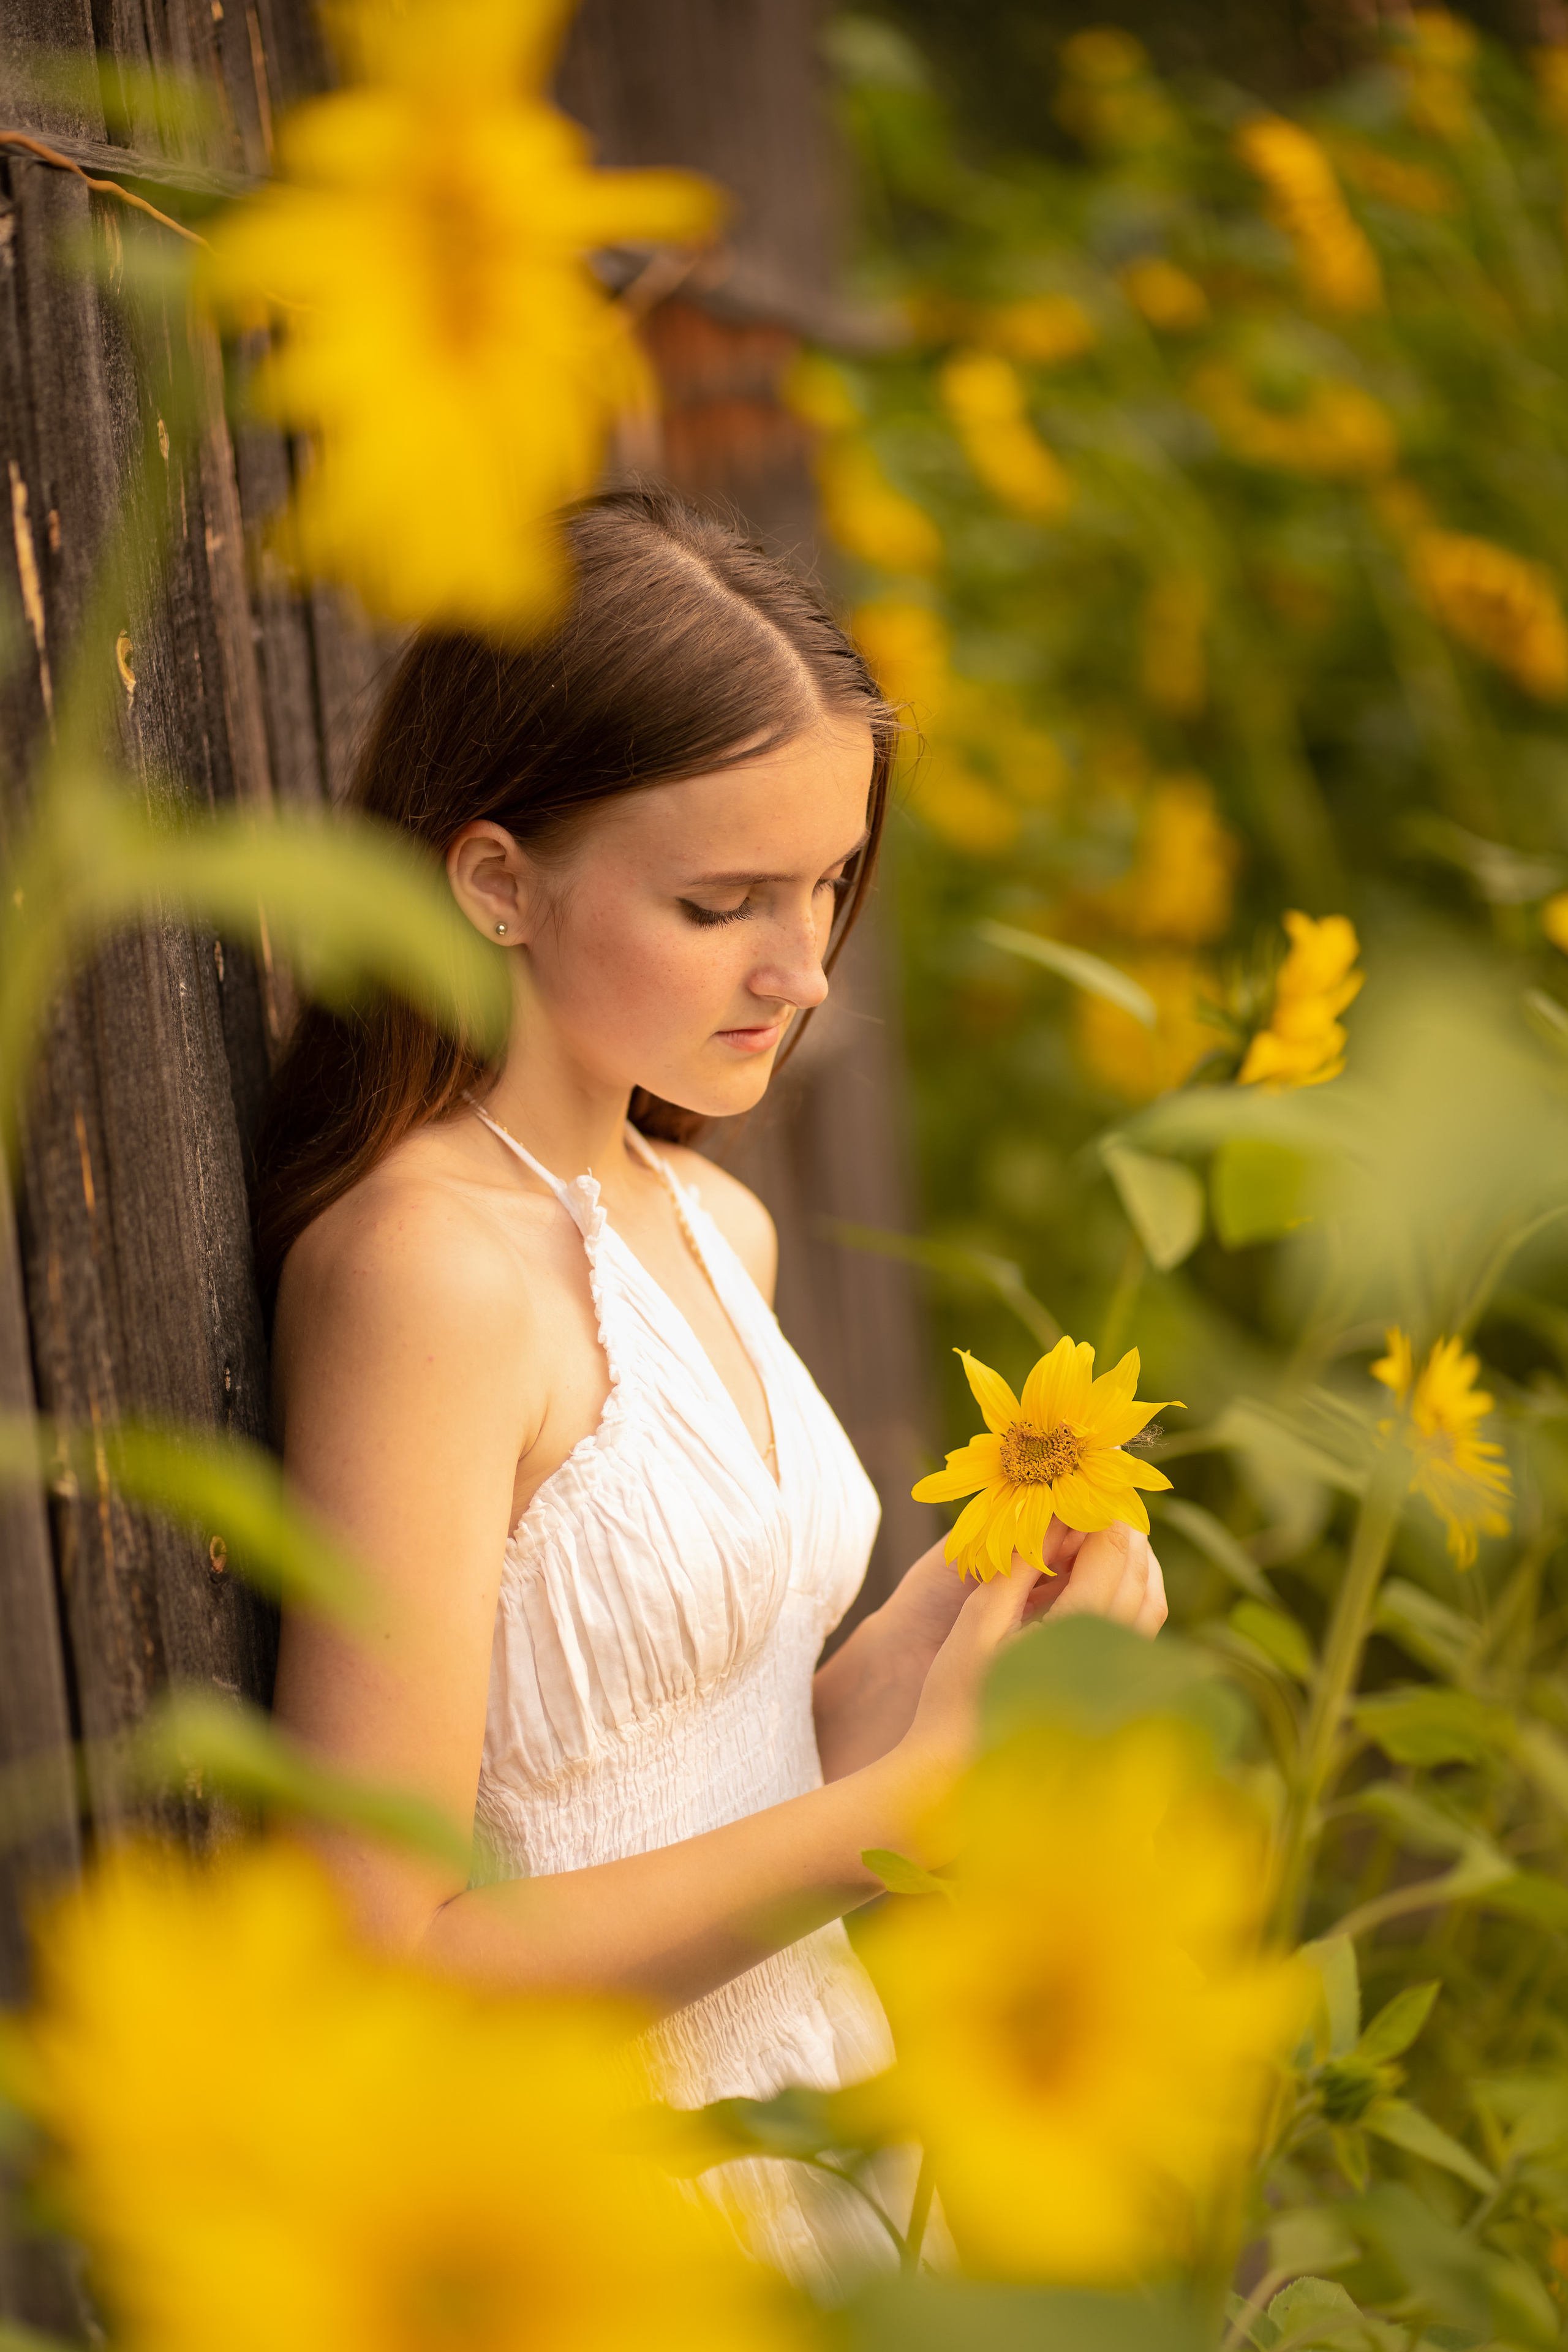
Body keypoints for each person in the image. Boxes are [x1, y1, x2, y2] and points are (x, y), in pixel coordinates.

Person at [257, 488, 1165, 2285]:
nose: (806, 969)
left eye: (829, 882)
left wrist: (928, 1656)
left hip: (813, 2133)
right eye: (720, 900)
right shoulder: (425, 1279)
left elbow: (680, 1790)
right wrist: (902, 1822)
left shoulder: (706, 1220)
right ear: (493, 875)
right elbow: (388, 1958)